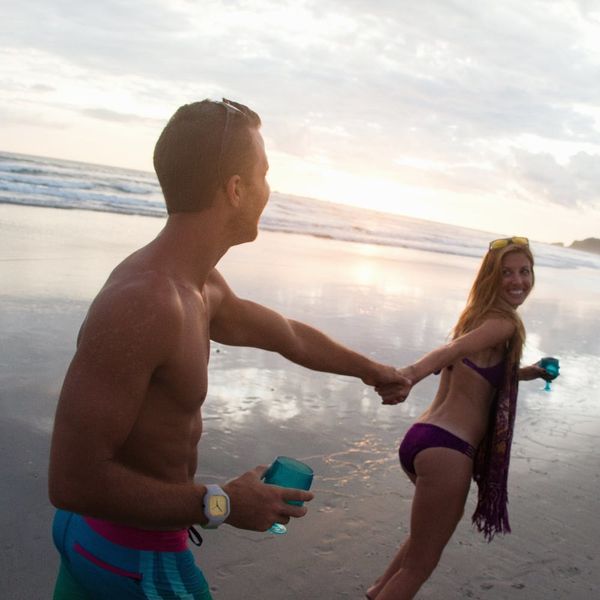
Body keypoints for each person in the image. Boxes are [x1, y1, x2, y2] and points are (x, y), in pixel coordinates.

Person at [48, 98, 410, 600]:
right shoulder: (146, 302)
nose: (270, 189)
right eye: (264, 175)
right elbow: (72, 481)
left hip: (93, 539)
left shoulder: (199, 284)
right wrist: (222, 504)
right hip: (133, 557)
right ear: (236, 189)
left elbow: (287, 334)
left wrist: (371, 370)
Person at [366, 236, 557, 600]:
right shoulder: (505, 323)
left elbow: (480, 372)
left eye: (525, 271)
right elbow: (451, 350)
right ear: (491, 277)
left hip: (423, 438)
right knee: (419, 567)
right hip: (449, 451)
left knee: (422, 541)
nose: (518, 280)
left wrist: (527, 372)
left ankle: (377, 592)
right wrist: (409, 375)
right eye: (507, 273)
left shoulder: (475, 318)